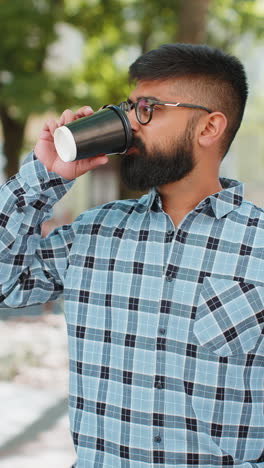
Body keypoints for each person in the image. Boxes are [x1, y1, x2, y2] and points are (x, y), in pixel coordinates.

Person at [0, 43, 263, 467]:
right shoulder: (92, 232)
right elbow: (4, 286)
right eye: (129, 107)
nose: (129, 124)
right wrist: (43, 176)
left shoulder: (259, 247)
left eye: (149, 109)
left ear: (209, 127)